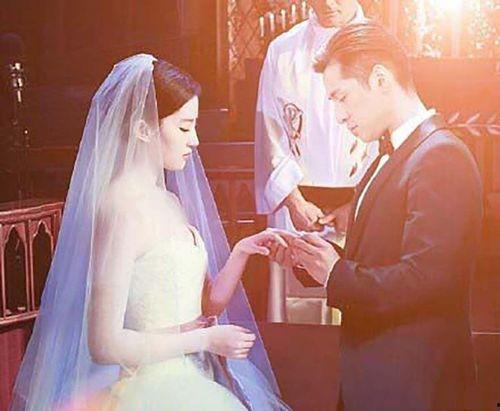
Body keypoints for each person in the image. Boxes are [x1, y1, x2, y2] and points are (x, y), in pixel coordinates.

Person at [12, 54, 290, 411]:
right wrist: (204, 340)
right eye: (184, 128)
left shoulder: (168, 200)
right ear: (143, 129)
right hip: (152, 388)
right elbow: (104, 342)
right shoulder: (121, 208)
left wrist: (241, 252)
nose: (195, 141)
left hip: (195, 376)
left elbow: (202, 306)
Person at [271, 23, 482, 411]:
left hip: (416, 388)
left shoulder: (441, 156)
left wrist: (335, 274)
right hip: (376, 380)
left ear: (381, 79)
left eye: (342, 98)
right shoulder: (392, 156)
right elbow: (378, 259)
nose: (338, 115)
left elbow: (426, 282)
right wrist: (312, 260)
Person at [254, 0, 375, 323]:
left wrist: (359, 205)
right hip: (297, 210)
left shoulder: (380, 48)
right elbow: (269, 133)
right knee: (299, 319)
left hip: (363, 209)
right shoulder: (283, 51)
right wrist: (293, 201)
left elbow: (392, 138)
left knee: (359, 317)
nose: (329, 3)